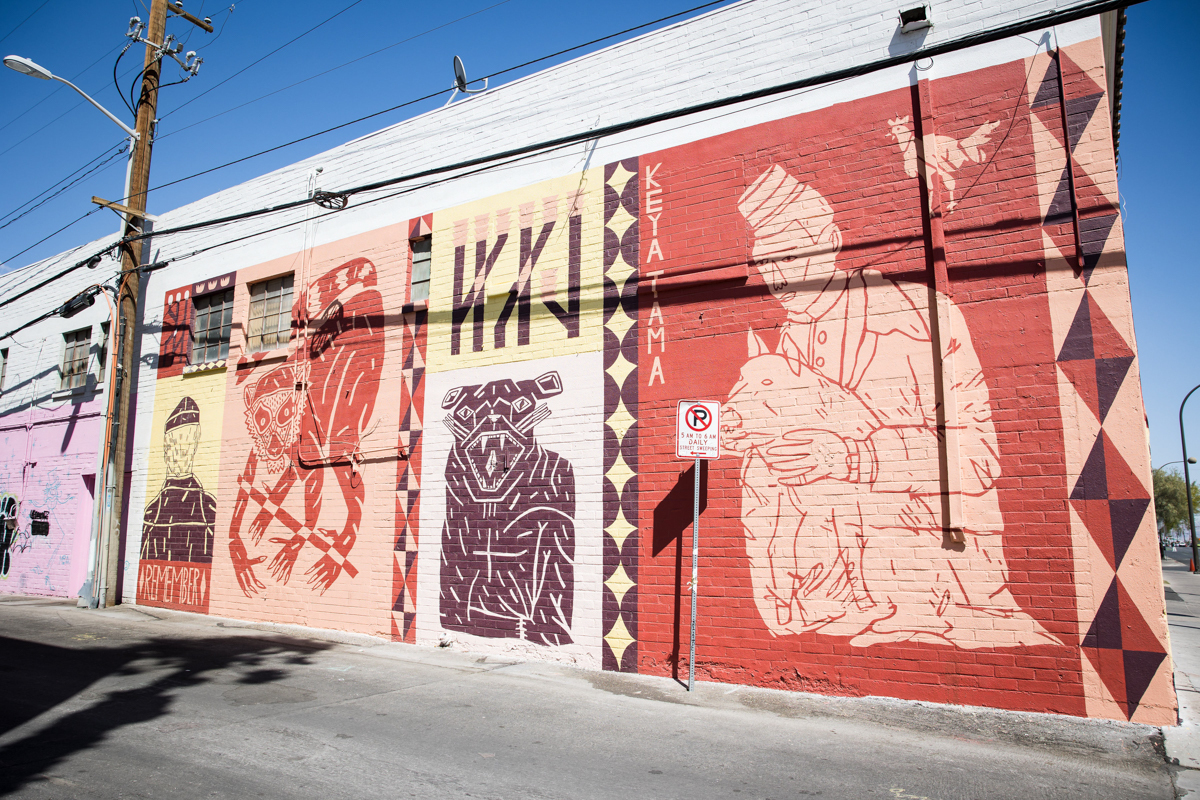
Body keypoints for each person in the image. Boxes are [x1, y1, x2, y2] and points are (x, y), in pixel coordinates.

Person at [721, 164, 1052, 649]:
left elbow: (978, 454)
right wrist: (744, 435)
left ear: (831, 240)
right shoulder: (788, 344)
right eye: (764, 263)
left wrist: (851, 458)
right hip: (838, 604)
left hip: (948, 595)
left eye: (789, 256)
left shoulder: (918, 314)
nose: (777, 278)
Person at [141, 396, 216, 563]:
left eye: (186, 445)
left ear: (195, 446)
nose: (178, 453)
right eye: (173, 444)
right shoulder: (152, 514)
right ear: (165, 448)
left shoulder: (209, 512)